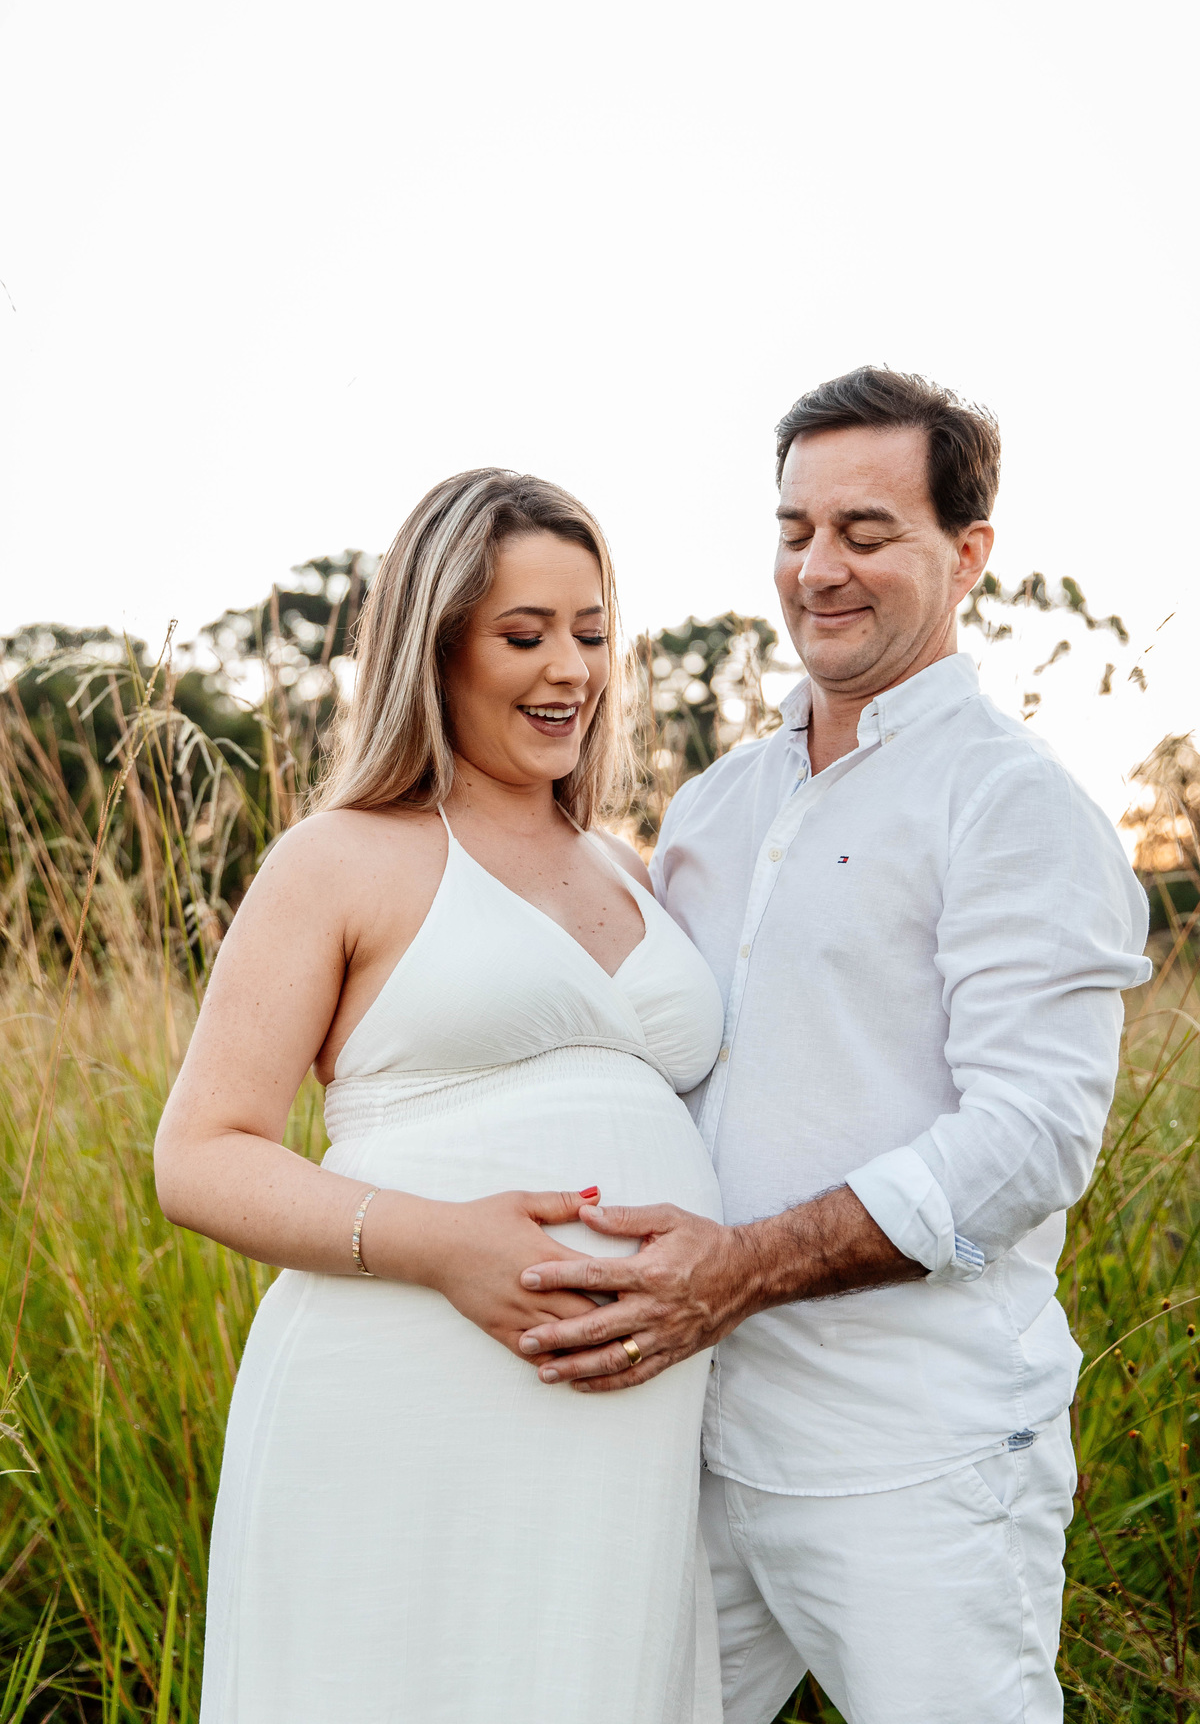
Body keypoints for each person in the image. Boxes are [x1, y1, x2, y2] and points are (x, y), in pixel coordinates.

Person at [515, 368, 1152, 1724]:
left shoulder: (1015, 809)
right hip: (683, 1437)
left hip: (917, 1458)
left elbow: (1032, 1142)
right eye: (796, 530)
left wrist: (736, 1273)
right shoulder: (715, 807)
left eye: (868, 532)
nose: (820, 569)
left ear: (967, 552)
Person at [154, 469, 727, 1724]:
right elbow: (198, 1153)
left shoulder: (630, 868)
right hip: (402, 1380)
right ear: (436, 646)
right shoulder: (343, 855)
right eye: (524, 635)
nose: (568, 668)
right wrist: (446, 1245)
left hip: (622, 1423)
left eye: (590, 632)